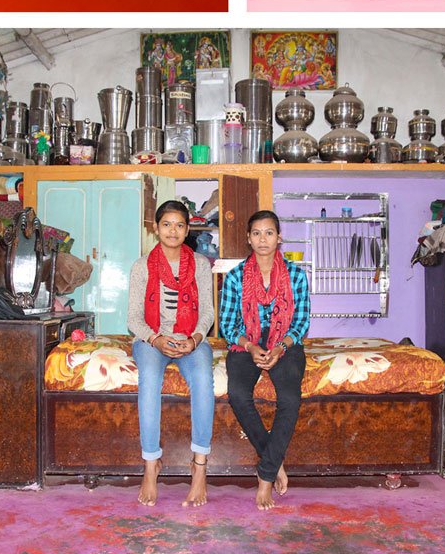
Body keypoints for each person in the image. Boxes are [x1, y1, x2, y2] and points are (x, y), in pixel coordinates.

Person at [219, 210, 310, 510]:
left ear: (279, 237)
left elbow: (301, 322)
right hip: (248, 344)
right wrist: (249, 345)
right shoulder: (235, 277)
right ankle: (274, 461)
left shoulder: (296, 275)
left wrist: (281, 347)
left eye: (269, 232)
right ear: (248, 238)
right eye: (256, 233)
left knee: (289, 398)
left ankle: (265, 476)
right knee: (238, 394)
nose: (262, 239)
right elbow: (228, 325)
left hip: (284, 344)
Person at [127, 200, 214, 507]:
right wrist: (156, 339)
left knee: (204, 378)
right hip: (152, 339)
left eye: (179, 225)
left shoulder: (201, 265)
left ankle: (199, 466)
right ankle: (151, 465)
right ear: (156, 229)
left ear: (188, 229)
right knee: (149, 378)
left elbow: (207, 313)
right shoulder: (141, 267)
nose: (173, 231)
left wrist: (195, 339)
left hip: (190, 339)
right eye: (166, 224)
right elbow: (133, 319)